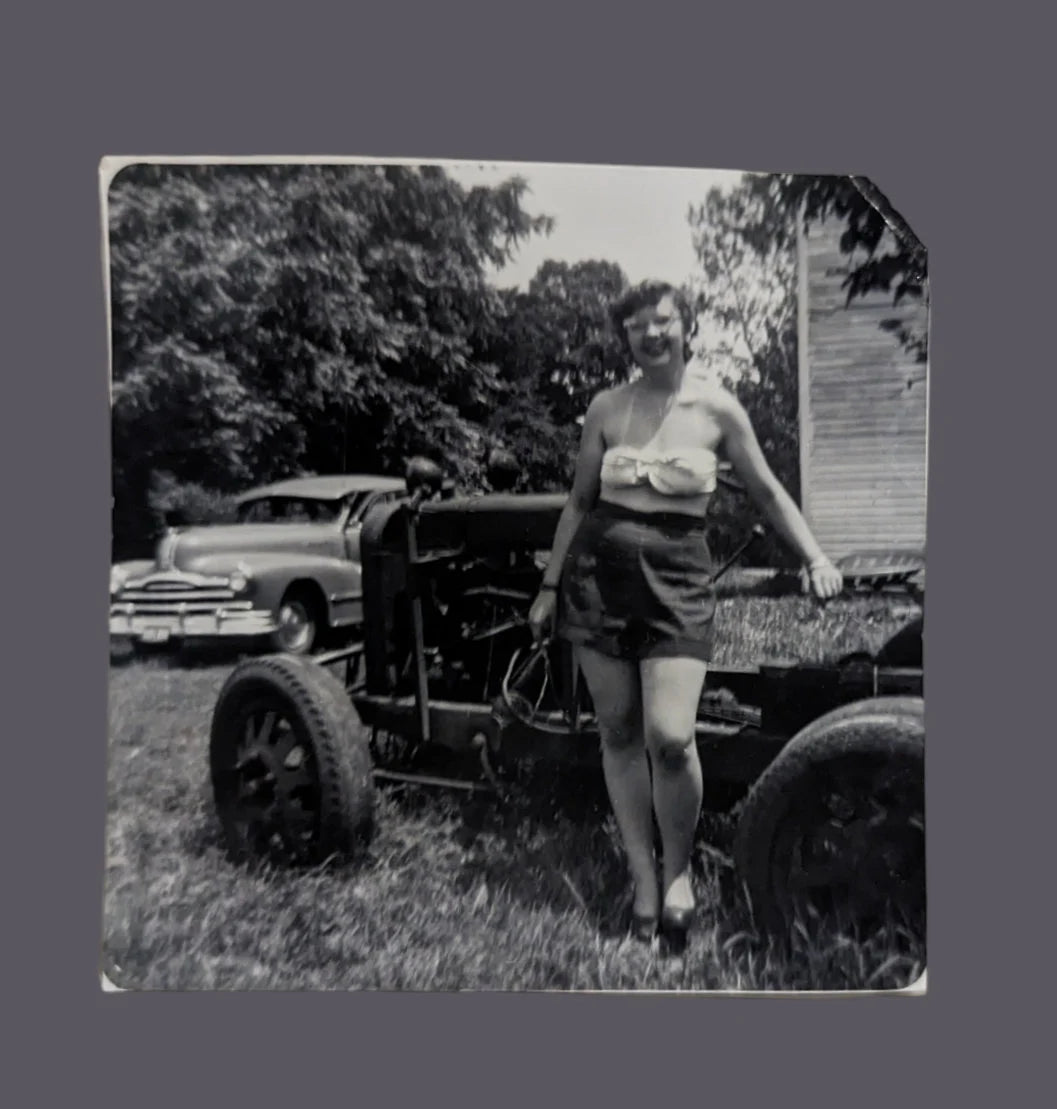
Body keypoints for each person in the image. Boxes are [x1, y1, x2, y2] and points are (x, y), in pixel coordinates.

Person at [528, 280, 843, 950]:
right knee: (617, 731)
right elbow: (579, 502)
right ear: (625, 338)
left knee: (669, 736)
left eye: (661, 321)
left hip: (675, 580)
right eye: (636, 326)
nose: (649, 334)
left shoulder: (717, 408)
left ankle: (679, 871)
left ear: (684, 326)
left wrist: (814, 554)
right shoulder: (606, 407)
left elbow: (765, 489)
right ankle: (642, 877)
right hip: (599, 579)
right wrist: (550, 585)